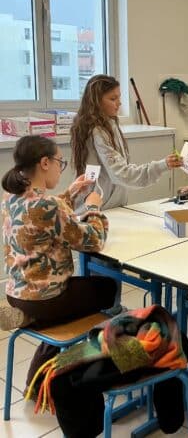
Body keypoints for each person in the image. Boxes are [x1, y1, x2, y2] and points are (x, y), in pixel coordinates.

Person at [1, 135, 117, 388]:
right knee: (109, 288)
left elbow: (44, 214)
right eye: (59, 163)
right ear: (45, 163)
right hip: (47, 299)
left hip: (17, 293)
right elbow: (94, 240)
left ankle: (31, 322)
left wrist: (71, 192)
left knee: (70, 304)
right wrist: (94, 207)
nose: (60, 169)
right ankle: (71, 366)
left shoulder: (10, 199)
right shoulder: (50, 205)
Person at [70, 74, 181, 211]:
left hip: (107, 206)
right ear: (96, 101)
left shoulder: (109, 124)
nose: (119, 103)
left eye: (119, 97)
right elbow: (123, 174)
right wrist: (162, 165)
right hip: (97, 209)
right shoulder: (97, 131)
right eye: (113, 99)